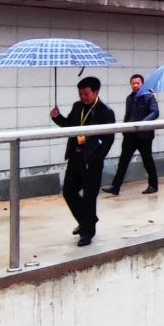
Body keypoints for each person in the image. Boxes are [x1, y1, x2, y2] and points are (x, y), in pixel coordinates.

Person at [52, 76, 116, 245]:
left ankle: (87, 233)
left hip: (92, 160)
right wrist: (57, 117)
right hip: (75, 156)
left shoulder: (105, 112)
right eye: (80, 94)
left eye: (86, 94)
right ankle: (87, 219)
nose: (83, 97)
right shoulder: (77, 107)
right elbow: (69, 126)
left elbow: (109, 138)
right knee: (68, 191)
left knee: (89, 196)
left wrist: (97, 156)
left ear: (95, 92)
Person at [106, 72, 160, 195]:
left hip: (144, 135)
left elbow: (155, 112)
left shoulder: (149, 97)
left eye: (138, 83)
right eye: (133, 83)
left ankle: (153, 185)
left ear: (142, 84)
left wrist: (142, 123)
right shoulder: (129, 98)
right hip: (130, 134)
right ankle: (115, 187)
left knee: (147, 160)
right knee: (123, 161)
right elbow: (128, 115)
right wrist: (125, 129)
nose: (135, 85)